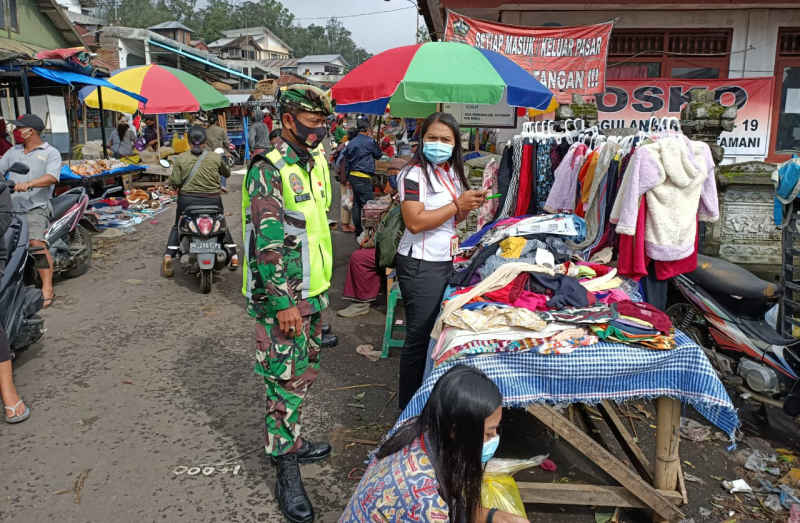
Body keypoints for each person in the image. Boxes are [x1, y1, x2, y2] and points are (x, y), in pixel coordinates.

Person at [241, 84, 335, 523]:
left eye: (323, 125)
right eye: (312, 125)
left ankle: (292, 441)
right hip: (284, 300)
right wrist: (283, 302)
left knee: (302, 376)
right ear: (287, 122)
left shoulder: (313, 163)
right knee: (282, 382)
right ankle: (285, 468)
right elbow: (268, 243)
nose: (318, 133)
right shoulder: (268, 168)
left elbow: (314, 229)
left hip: (311, 294)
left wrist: (313, 296)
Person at [342, 365, 528, 523]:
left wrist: (490, 516)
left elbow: (450, 500)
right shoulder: (426, 502)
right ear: (455, 430)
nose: (494, 439)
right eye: (488, 433)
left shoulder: (419, 431)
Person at [395, 112, 487, 409]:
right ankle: (408, 409)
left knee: (433, 333)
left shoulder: (450, 173)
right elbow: (415, 222)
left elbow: (453, 218)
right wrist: (456, 205)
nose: (438, 144)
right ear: (421, 140)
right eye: (432, 138)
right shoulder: (413, 175)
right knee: (418, 338)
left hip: (442, 259)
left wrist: (467, 206)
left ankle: (425, 397)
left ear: (455, 144)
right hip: (420, 264)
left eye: (445, 139)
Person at [0, 114, 61, 308]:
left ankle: (47, 287)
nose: (16, 131)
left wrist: (29, 184)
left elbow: (52, 177)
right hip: (11, 207)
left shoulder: (51, 152)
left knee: (35, 243)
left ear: (30, 131)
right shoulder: (13, 152)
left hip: (36, 207)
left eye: (20, 128)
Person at [161, 125, 238, 277]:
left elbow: (175, 181)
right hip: (212, 200)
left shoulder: (181, 158)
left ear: (189, 142)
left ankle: (169, 255)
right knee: (221, 222)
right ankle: (234, 256)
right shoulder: (215, 157)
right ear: (205, 141)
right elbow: (227, 173)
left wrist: (176, 185)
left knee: (178, 225)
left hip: (187, 201)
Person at [344, 118, 382, 237]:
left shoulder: (352, 142)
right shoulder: (369, 141)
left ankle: (358, 230)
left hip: (353, 176)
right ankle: (369, 233)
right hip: (363, 176)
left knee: (356, 204)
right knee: (369, 204)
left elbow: (347, 158)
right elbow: (378, 155)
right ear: (367, 129)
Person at [205, 111, 231, 192]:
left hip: (209, 154)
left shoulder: (205, 131)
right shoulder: (221, 130)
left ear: (209, 121)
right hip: (220, 153)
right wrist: (228, 150)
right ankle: (222, 185)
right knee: (222, 169)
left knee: (211, 170)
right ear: (217, 121)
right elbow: (226, 143)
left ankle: (212, 185)